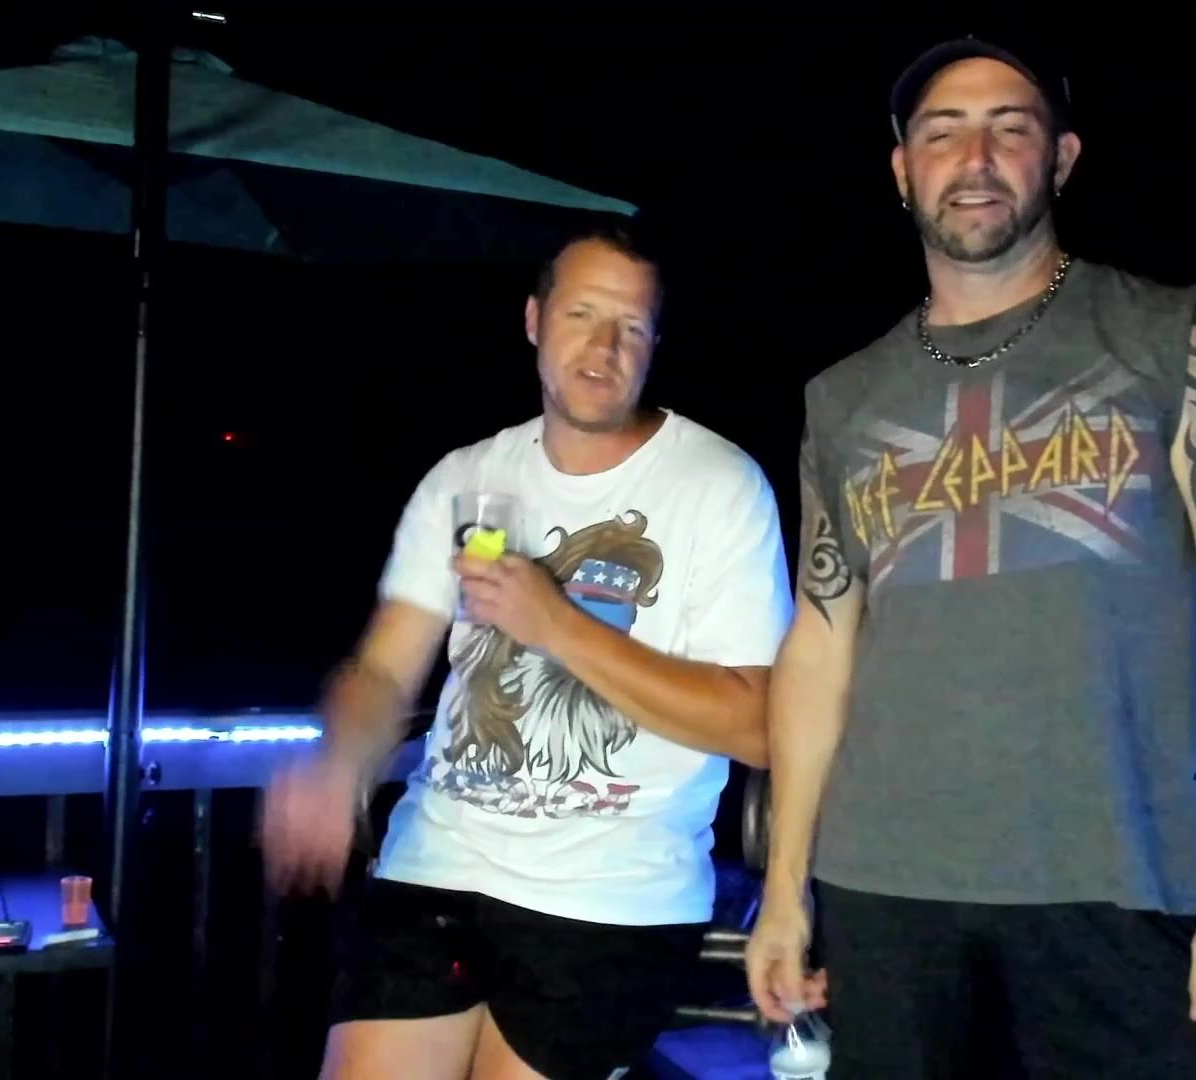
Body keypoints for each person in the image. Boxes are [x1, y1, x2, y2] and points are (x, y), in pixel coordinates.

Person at [744, 37, 1196, 1079]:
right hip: (884, 891)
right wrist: (785, 888)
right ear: (902, 171)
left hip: (1122, 882)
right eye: (942, 133)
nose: (974, 158)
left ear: (1061, 158)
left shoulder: (1175, 337)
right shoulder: (842, 399)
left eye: (1009, 129)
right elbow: (819, 648)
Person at [261, 221, 796, 1080]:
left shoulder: (720, 487)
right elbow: (382, 669)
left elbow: (760, 727)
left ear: (655, 344)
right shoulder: (464, 476)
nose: (603, 346)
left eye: (631, 325)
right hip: (435, 867)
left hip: (613, 897)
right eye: (582, 314)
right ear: (534, 320)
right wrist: (336, 761)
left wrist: (559, 625)